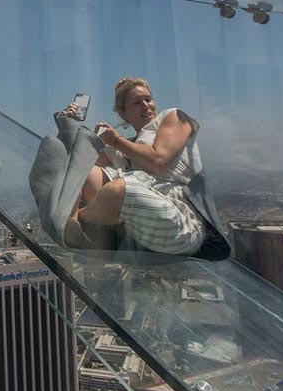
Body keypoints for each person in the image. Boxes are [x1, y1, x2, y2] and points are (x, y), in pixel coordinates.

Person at [60, 77, 227, 257]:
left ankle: (75, 222)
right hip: (140, 228)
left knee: (118, 190)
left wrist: (116, 140)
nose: (146, 105)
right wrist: (68, 126)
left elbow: (158, 160)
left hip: (182, 222)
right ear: (123, 113)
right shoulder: (126, 149)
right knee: (87, 174)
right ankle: (75, 225)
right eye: (137, 102)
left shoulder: (174, 117)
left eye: (148, 99)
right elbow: (79, 168)